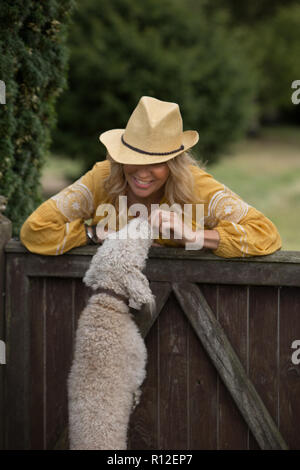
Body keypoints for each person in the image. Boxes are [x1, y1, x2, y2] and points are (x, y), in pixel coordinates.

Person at [20, 96, 282, 258]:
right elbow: (35, 231)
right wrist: (98, 233)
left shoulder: (196, 185)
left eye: (156, 163)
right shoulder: (102, 178)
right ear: (121, 158)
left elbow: (266, 235)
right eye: (134, 160)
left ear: (173, 164)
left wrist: (194, 236)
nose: (142, 172)